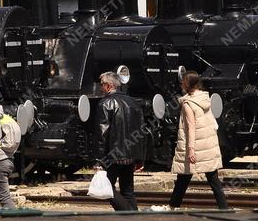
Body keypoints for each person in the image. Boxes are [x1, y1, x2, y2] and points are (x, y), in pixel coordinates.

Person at [152, 71, 228, 211]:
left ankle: (172, 206)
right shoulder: (205, 99)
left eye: (182, 82)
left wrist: (191, 149)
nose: (181, 84)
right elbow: (213, 123)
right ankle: (224, 208)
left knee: (184, 177)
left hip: (195, 145)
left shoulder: (188, 104)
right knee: (210, 178)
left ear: (186, 84)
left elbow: (191, 128)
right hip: (207, 144)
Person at [95, 71, 145, 211]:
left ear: (109, 86)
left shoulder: (105, 103)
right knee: (128, 191)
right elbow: (142, 131)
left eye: (102, 84)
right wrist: (140, 157)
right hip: (130, 155)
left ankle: (128, 214)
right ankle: (135, 216)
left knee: (105, 188)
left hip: (113, 155)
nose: (100, 88)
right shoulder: (134, 102)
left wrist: (99, 160)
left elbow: (102, 134)